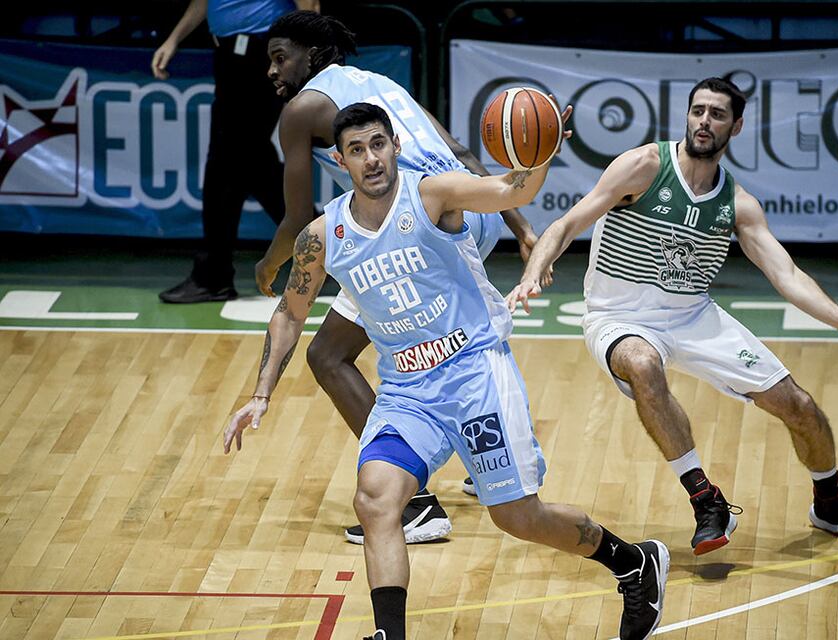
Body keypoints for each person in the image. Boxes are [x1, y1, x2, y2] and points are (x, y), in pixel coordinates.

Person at [223, 103, 669, 640]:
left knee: (517, 517)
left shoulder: (432, 194)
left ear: (396, 147)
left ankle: (631, 563)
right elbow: (289, 313)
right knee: (376, 497)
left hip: (475, 372)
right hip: (407, 390)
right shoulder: (323, 236)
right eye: (358, 150)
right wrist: (262, 394)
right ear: (340, 162)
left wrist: (540, 154)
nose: (372, 159)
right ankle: (390, 634)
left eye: (379, 144)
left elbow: (512, 192)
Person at [507, 77, 838, 556]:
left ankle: (829, 501)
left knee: (800, 407)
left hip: (693, 316)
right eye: (698, 111)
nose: (704, 121)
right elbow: (566, 224)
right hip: (618, 315)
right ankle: (706, 499)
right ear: (687, 116)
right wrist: (532, 272)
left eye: (717, 114)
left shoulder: (737, 204)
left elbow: (786, 274)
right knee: (644, 365)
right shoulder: (644, 166)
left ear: (736, 125)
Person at [259, 11, 548, 544]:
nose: (273, 72)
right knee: (446, 337)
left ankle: (414, 501)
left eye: (280, 58)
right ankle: (497, 445)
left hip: (416, 223)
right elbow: (459, 155)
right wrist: (520, 225)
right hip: (466, 213)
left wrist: (271, 263)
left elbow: (298, 219)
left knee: (329, 355)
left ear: (312, 55)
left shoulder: (301, 111)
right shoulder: (379, 85)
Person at [154, 0, 318, 303]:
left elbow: (309, 3)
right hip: (230, 55)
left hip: (262, 54)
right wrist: (173, 39)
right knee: (249, 162)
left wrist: (314, 58)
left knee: (229, 163)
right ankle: (327, 241)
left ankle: (213, 276)